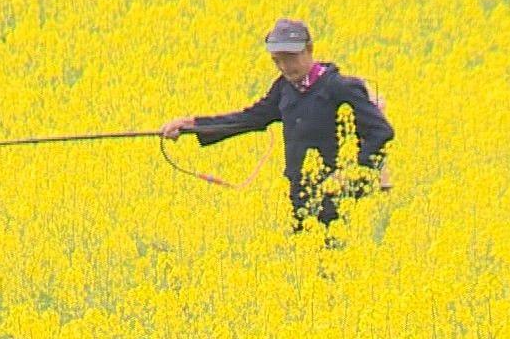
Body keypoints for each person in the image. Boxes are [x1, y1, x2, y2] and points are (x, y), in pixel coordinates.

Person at [161, 18, 394, 232]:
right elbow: (249, 119)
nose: (284, 66)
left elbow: (381, 132)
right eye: (277, 60)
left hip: (343, 198)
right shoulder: (285, 88)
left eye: (290, 58)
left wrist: (349, 174)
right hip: (301, 196)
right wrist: (192, 126)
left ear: (309, 49)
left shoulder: (340, 87)